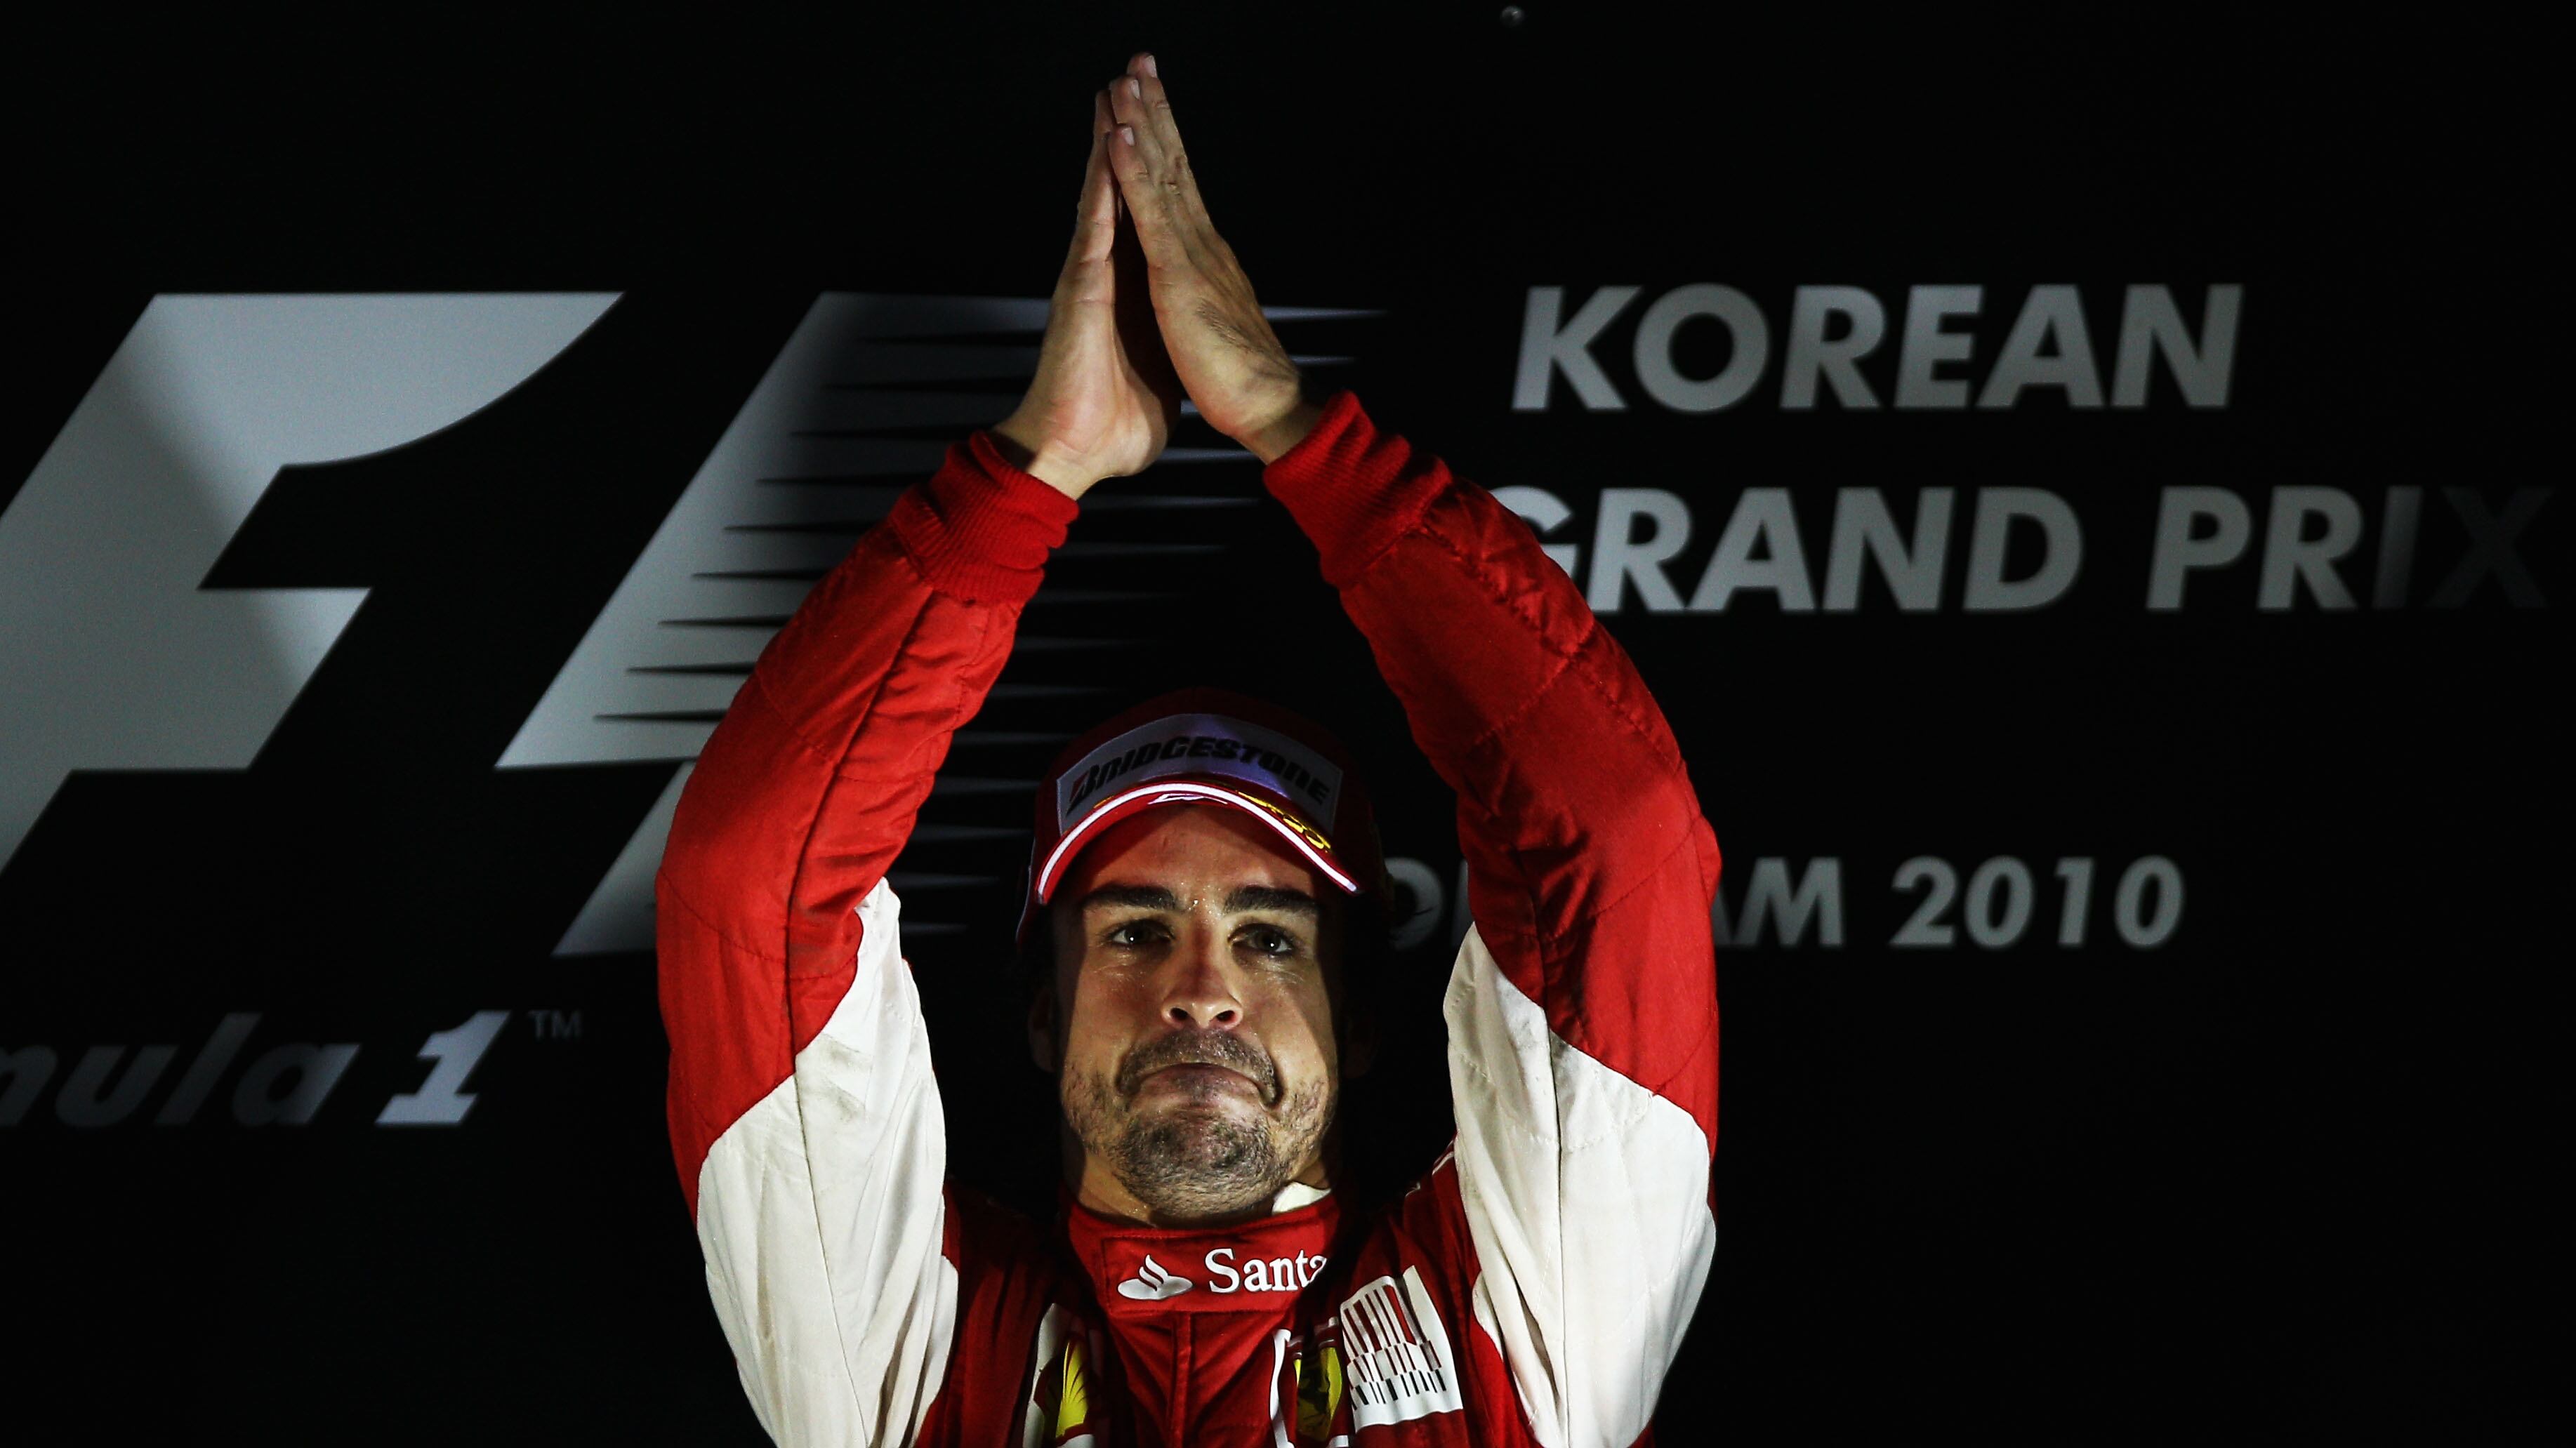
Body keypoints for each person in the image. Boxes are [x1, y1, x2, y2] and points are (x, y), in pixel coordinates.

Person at [657, 51, 1721, 1447]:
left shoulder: (1524, 1316)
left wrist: (1295, 428)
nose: (1200, 994)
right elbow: (756, 889)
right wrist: (1037, 464)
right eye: (1132, 932)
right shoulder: (906, 1345)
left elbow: (1614, 842)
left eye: (1271, 938)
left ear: (1360, 1018)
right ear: (1042, 1016)